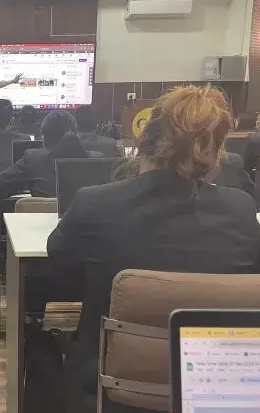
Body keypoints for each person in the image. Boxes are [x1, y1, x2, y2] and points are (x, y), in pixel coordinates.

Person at [35, 86, 260, 412]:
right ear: (217, 150)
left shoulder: (93, 203)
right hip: (218, 393)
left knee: (39, 342)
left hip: (107, 394)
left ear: (143, 137)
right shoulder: (242, 210)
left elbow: (58, 264)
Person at [0, 110, 98, 200]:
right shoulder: (98, 159)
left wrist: (23, 185)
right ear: (77, 135)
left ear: (43, 139)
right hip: (88, 223)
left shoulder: (33, 159)